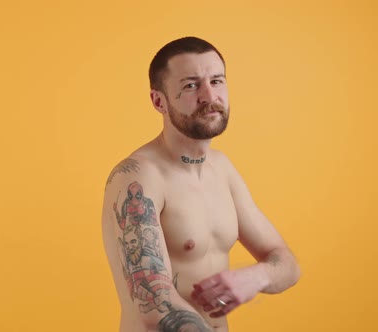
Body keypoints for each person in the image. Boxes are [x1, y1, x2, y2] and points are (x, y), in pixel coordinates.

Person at [101, 37, 300, 332]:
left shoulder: (222, 169)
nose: (209, 96)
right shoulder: (138, 177)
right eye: (191, 85)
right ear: (159, 102)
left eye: (217, 81)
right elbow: (153, 302)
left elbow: (287, 264)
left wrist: (256, 277)